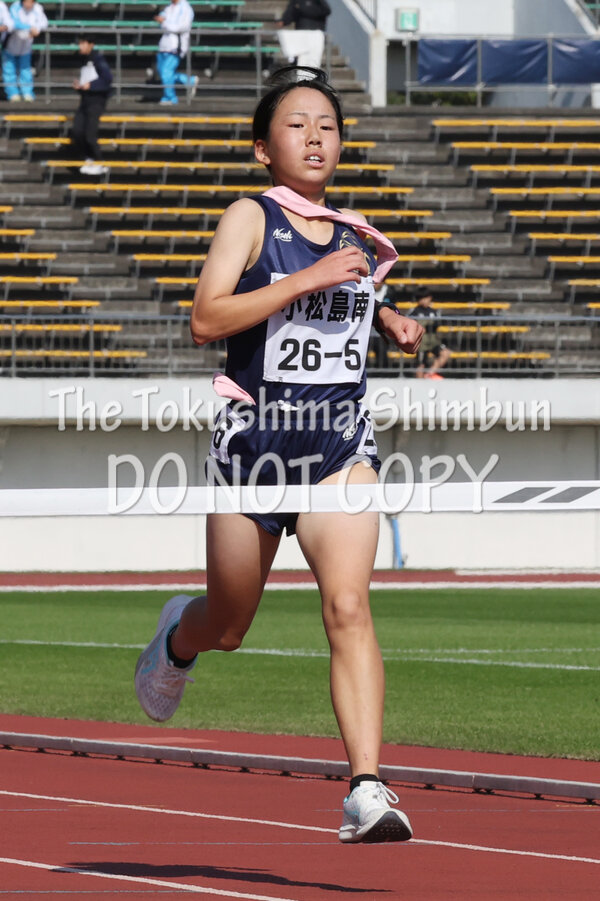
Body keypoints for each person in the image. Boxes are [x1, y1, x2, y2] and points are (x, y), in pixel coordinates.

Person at [134, 67, 423, 844]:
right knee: (229, 624)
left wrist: (389, 320)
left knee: (349, 605)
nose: (316, 137)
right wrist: (306, 279)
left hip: (337, 445)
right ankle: (179, 637)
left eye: (327, 125)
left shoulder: (356, 234)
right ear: (263, 148)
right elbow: (207, 318)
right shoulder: (249, 217)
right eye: (297, 125)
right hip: (254, 448)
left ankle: (366, 788)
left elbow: (344, 299)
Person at [71, 35, 112, 176]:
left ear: (91, 44)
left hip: (96, 102)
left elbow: (107, 79)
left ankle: (99, 162)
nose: (80, 46)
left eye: (83, 43)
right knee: (77, 131)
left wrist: (92, 85)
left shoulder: (98, 59)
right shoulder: (84, 60)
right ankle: (88, 159)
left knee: (90, 134)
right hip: (85, 100)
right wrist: (80, 87)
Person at [154, 0, 198, 105]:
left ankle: (170, 98)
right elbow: (162, 20)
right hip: (164, 45)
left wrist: (164, 22)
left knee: (166, 72)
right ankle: (189, 81)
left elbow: (180, 27)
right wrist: (163, 21)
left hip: (175, 46)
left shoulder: (186, 8)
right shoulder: (169, 7)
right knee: (163, 72)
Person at [2, 0, 47, 102]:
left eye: (31, 2)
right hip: (11, 44)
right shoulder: (15, 7)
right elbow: (13, 23)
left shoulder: (37, 8)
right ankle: (12, 93)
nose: (28, 4)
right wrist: (30, 28)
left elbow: (43, 22)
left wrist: (37, 29)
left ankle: (27, 93)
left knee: (25, 69)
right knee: (9, 70)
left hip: (26, 46)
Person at [408, 287, 451, 379]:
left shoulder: (433, 312)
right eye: (421, 298)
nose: (424, 301)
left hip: (433, 341)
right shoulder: (414, 312)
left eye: (426, 298)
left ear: (430, 298)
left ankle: (429, 374)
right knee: (421, 364)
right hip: (421, 342)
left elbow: (438, 323)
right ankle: (419, 382)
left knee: (445, 353)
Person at [275, 0, 331, 70]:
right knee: (301, 61)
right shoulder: (297, 1)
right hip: (301, 36)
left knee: (314, 62)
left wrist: (305, 9)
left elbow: (327, 10)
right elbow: (290, 12)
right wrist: (284, 21)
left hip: (315, 34)